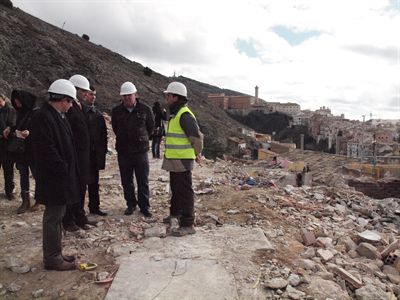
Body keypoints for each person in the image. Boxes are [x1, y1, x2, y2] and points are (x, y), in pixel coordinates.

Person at [31, 79, 79, 271]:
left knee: (58, 216)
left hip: (60, 176)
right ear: (63, 99)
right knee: (53, 217)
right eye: (70, 102)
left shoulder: (56, 115)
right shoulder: (43, 117)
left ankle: (56, 254)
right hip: (53, 178)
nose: (71, 106)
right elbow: (47, 150)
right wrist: (63, 169)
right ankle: (52, 258)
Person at [162, 82, 203, 236]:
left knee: (185, 191)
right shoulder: (175, 113)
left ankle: (188, 224)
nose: (166, 98)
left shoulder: (184, 115)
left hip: (182, 160)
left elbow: (196, 138)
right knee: (176, 189)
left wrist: (198, 153)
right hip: (174, 160)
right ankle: (175, 214)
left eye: (168, 95)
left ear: (175, 97)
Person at [111, 81, 154, 217]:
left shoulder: (145, 109)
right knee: (126, 180)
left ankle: (144, 206)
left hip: (140, 151)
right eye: (124, 96)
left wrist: (141, 138)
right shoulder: (116, 111)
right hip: (124, 151)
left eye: (129, 95)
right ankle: (130, 204)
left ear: (135, 94)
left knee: (143, 180)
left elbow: (150, 127)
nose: (127, 98)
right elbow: (115, 128)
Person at [62, 74, 96, 231]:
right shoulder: (68, 109)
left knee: (81, 187)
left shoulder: (78, 107)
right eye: (83, 91)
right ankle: (69, 220)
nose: (86, 94)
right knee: (72, 188)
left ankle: (80, 217)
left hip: (83, 157)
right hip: (74, 156)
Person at [10, 90, 39, 213]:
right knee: (23, 175)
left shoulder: (36, 113)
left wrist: (30, 133)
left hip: (33, 150)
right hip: (21, 151)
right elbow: (17, 127)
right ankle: (25, 201)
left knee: (37, 175)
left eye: (19, 102)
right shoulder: (19, 113)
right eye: (15, 102)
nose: (17, 104)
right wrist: (11, 129)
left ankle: (39, 199)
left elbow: (42, 130)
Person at [82, 85, 108, 216]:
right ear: (84, 94)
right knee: (81, 185)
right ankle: (78, 211)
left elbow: (103, 136)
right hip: (82, 155)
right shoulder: (78, 113)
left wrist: (102, 153)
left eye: (94, 94)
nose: (93, 97)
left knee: (94, 183)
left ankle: (94, 207)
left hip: (94, 155)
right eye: (91, 94)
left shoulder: (97, 114)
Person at [0, 93, 16, 200]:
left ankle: (9, 191)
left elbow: (13, 125)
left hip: (7, 144)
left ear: (3, 100)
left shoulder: (11, 110)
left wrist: (7, 131)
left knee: (8, 169)